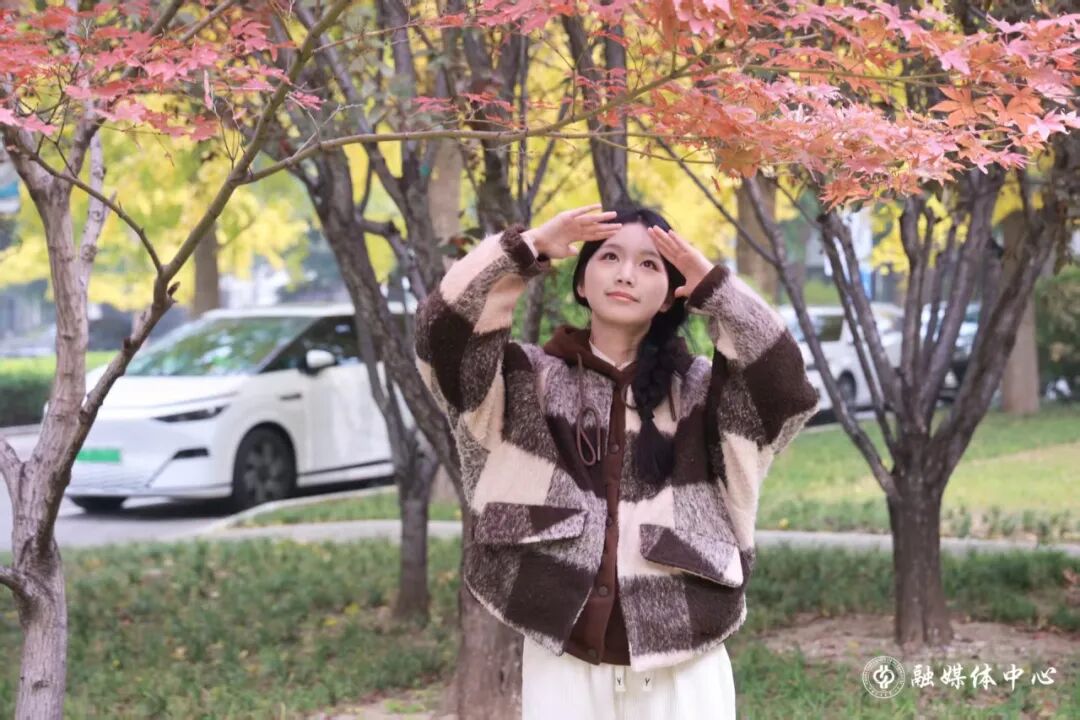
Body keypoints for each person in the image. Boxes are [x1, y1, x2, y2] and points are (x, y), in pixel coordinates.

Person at [415, 203, 818, 719]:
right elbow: (440, 338)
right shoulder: (524, 381)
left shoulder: (704, 394)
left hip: (685, 666)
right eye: (609, 257)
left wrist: (719, 290)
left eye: (649, 264)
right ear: (582, 283)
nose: (626, 274)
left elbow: (785, 392)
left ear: (670, 294)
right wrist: (524, 248)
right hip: (562, 661)